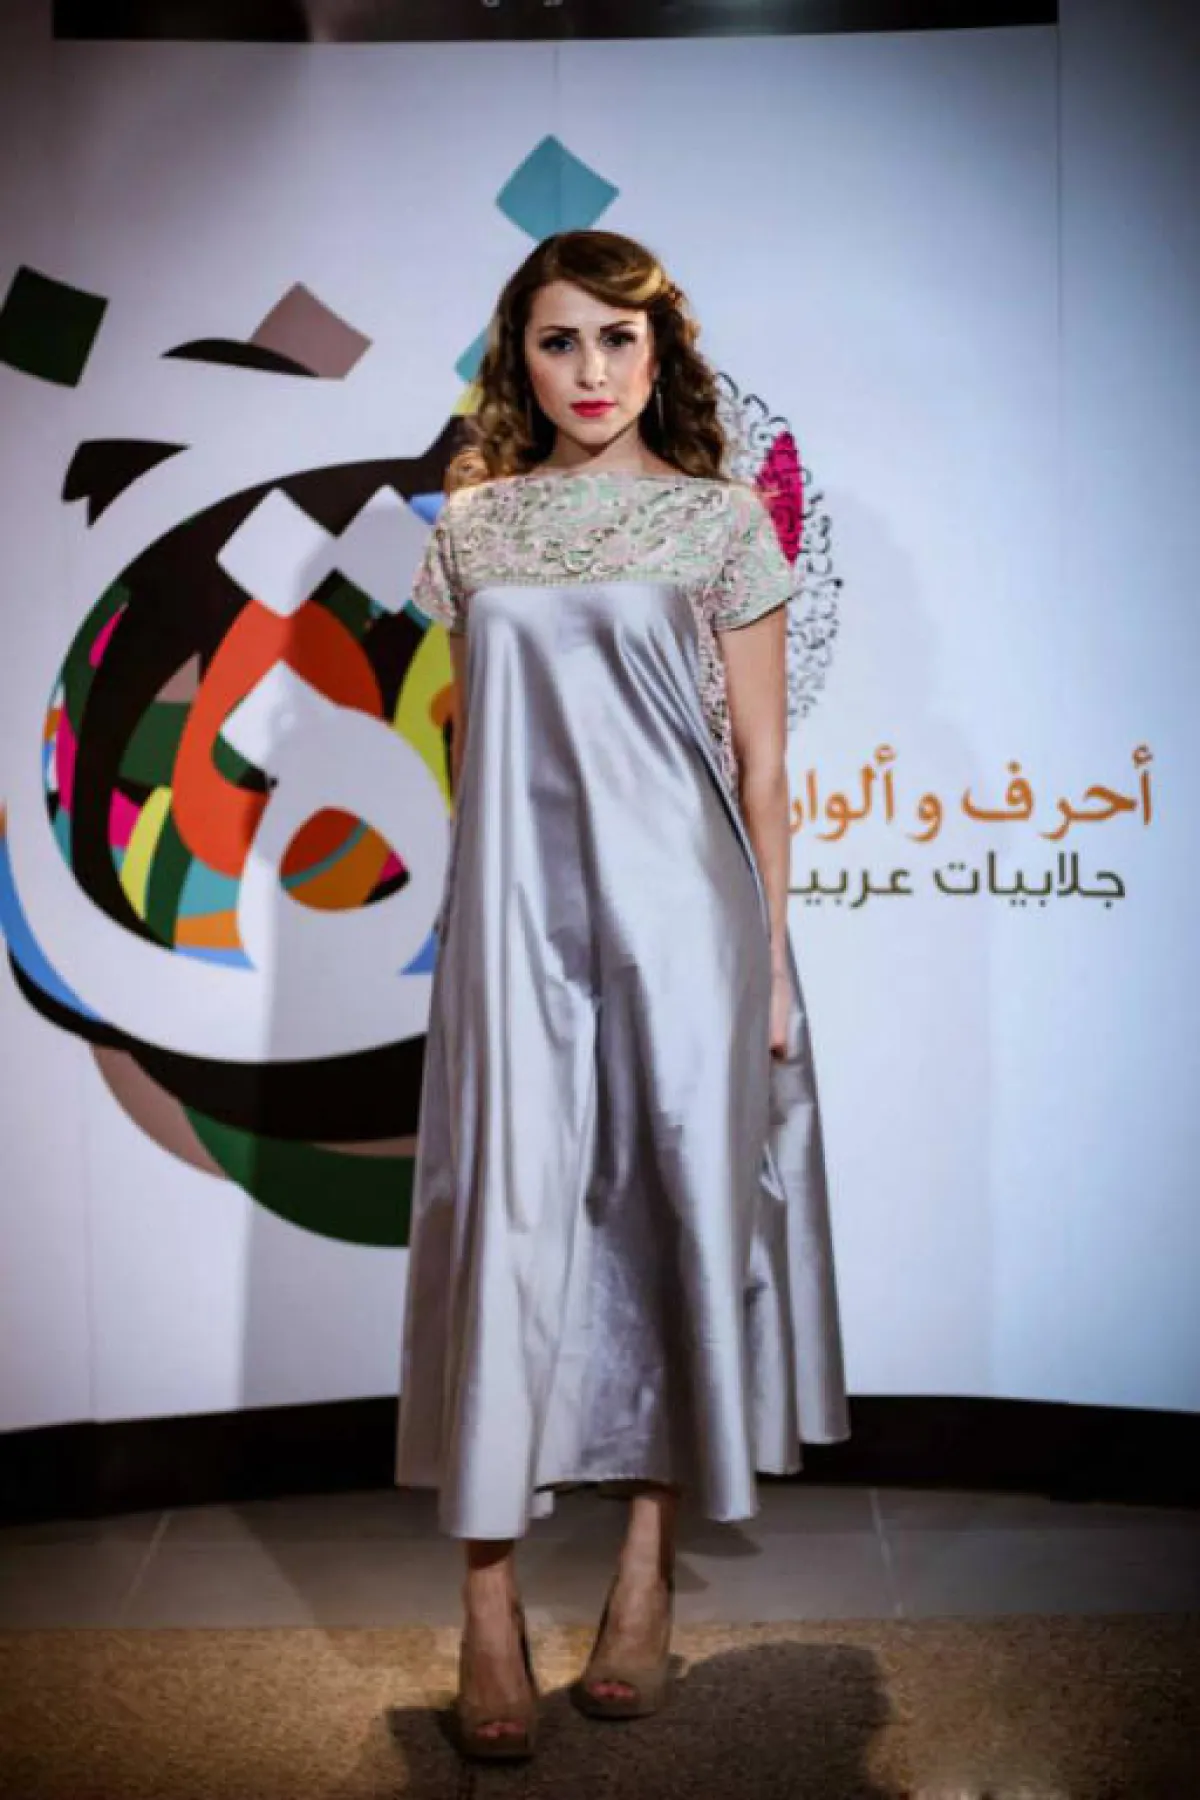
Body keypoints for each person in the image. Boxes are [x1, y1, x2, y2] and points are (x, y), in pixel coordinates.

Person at [394, 228, 848, 1761]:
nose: (590, 371)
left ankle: (645, 1582)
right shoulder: (472, 530)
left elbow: (763, 769)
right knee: (502, 1233)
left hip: (687, 924)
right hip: (514, 926)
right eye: (558, 340)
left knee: (671, 1226)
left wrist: (768, 961)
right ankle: (487, 1607)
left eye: (617, 339)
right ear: (517, 361)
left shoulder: (724, 523)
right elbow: (478, 749)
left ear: (661, 356)